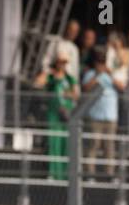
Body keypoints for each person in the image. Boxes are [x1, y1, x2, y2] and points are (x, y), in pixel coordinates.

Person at [33, 54, 76, 181]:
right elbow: (38, 83)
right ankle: (53, 172)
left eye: (64, 62)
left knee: (65, 143)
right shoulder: (51, 77)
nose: (61, 65)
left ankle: (64, 174)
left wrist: (66, 95)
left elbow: (75, 95)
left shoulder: (69, 78)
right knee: (53, 143)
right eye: (59, 62)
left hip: (66, 114)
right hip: (53, 114)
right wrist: (47, 72)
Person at [81, 47, 118, 180]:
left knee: (109, 147)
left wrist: (110, 75)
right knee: (94, 144)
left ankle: (110, 174)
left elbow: (121, 87)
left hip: (110, 116)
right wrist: (97, 74)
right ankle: (90, 174)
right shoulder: (90, 74)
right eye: (99, 62)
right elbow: (85, 88)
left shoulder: (110, 75)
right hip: (95, 116)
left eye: (103, 62)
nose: (101, 65)